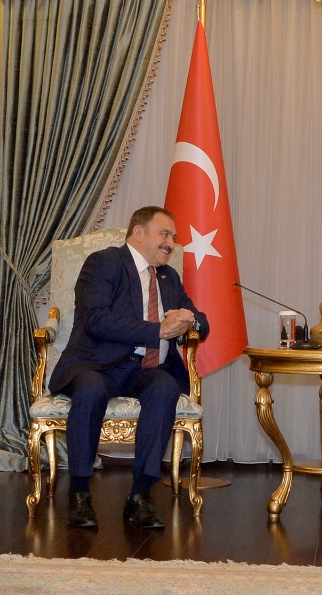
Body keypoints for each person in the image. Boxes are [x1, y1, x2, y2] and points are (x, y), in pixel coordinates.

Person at [48, 206, 208, 531]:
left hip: (145, 370)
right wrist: (158, 330)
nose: (171, 243)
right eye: (164, 234)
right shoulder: (105, 262)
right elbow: (96, 319)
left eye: (173, 237)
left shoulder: (168, 277)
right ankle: (79, 494)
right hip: (98, 364)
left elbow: (200, 321)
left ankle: (140, 496)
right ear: (138, 233)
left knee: (165, 388)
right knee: (90, 391)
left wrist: (190, 321)